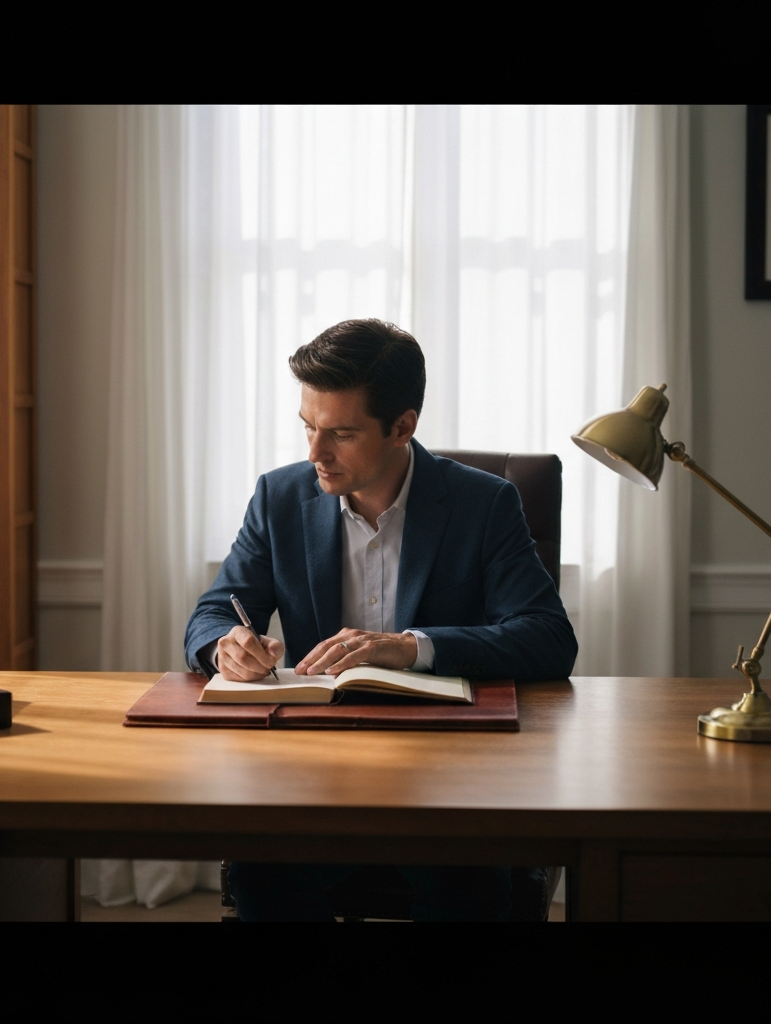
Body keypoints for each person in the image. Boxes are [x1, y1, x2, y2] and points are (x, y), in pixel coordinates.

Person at [184, 318, 577, 920]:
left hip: (450, 776)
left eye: (340, 433)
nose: (315, 453)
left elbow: (549, 638)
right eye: (308, 428)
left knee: (466, 890)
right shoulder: (279, 498)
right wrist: (225, 645)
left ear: (403, 427)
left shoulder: (485, 502)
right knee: (264, 878)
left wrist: (411, 647)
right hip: (312, 775)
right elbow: (213, 612)